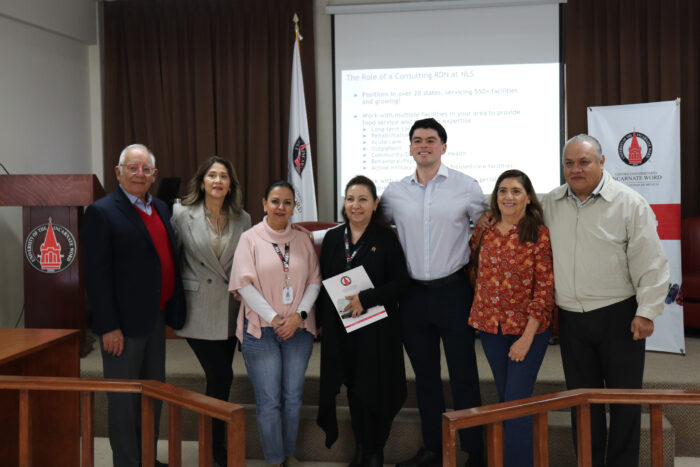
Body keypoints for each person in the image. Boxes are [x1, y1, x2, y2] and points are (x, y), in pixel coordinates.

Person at [543, 134, 669, 467]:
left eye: (584, 162)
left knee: (624, 402)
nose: (575, 169)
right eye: (569, 163)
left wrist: (647, 312)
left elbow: (651, 262)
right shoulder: (551, 203)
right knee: (582, 403)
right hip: (571, 319)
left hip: (619, 316)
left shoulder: (629, 203)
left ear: (601, 162)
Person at [381, 118, 486, 467]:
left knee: (464, 376)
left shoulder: (466, 187)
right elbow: (364, 227)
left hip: (454, 292)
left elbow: (489, 229)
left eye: (430, 139)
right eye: (416, 140)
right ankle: (434, 450)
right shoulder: (395, 192)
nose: (423, 145)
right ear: (410, 147)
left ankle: (475, 451)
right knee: (425, 379)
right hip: (412, 297)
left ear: (443, 145)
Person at [82, 143, 186, 467]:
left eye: (146, 169)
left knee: (152, 396)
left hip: (154, 319)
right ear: (118, 172)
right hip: (121, 327)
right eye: (133, 167)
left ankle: (146, 459)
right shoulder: (101, 212)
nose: (139, 174)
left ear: (154, 175)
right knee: (124, 402)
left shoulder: (161, 209)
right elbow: (97, 277)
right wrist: (108, 326)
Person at [316, 175, 410, 467]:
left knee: (376, 391)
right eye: (350, 199)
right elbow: (322, 282)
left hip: (378, 331)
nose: (355, 206)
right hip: (343, 331)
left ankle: (375, 450)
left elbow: (401, 283)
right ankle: (359, 448)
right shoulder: (333, 237)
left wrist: (366, 299)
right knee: (354, 391)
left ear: (375, 204)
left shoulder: (385, 238)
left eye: (362, 199)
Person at [229, 180, 321, 466]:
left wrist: (298, 317)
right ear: (264, 204)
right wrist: (275, 318)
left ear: (295, 206)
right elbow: (244, 286)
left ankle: (288, 453)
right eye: (275, 201)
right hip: (261, 330)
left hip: (299, 329)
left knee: (293, 397)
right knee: (269, 400)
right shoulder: (250, 238)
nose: (281, 207)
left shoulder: (303, 238)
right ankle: (273, 459)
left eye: (288, 202)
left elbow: (314, 281)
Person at [467, 169, 554, 467]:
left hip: (527, 330)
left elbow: (544, 289)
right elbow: (471, 268)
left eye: (516, 191)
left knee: (516, 401)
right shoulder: (484, 231)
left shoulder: (538, 234)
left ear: (528, 198)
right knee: (508, 400)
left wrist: (527, 338)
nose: (508, 196)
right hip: (491, 327)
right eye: (503, 190)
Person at [170, 156, 251, 466]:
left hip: (230, 309)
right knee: (221, 374)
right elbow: (171, 259)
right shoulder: (180, 214)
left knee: (221, 378)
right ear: (202, 181)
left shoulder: (243, 218)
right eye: (212, 175)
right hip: (197, 307)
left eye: (224, 176)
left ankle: (216, 444)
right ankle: (217, 446)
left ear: (231, 184)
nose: (218, 181)